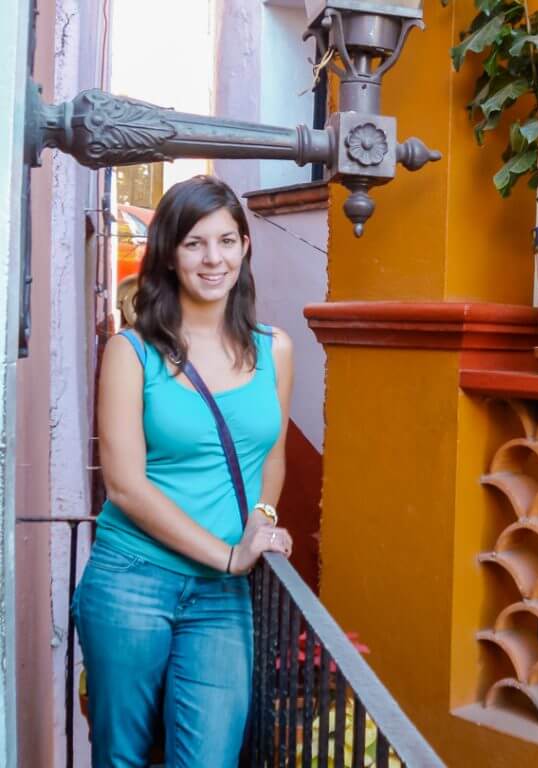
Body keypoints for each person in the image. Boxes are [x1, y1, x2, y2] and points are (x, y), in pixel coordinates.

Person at [73, 175, 295, 767]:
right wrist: (227, 554)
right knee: (121, 756)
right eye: (195, 243)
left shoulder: (274, 349)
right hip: (132, 581)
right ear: (169, 254)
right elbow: (125, 484)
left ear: (245, 247)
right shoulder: (133, 353)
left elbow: (271, 457)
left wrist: (263, 522)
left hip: (223, 597)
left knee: (207, 760)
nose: (213, 258)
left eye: (227, 240)